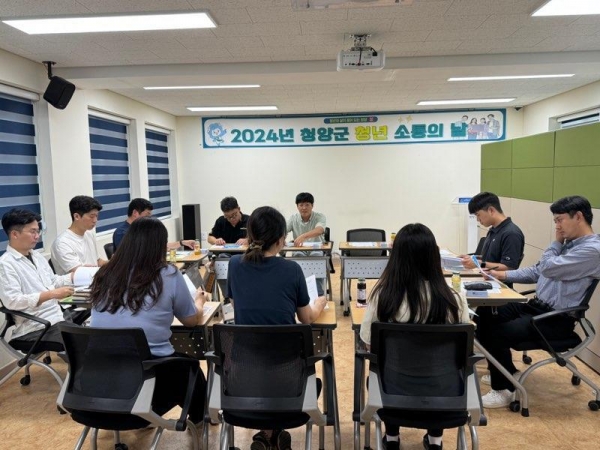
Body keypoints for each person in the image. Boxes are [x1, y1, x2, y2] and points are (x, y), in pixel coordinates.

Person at [478, 196, 600, 409]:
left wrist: (555, 243)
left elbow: (548, 268)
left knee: (495, 332)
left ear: (579, 217)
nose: (557, 226)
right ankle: (507, 371)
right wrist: (502, 275)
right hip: (535, 307)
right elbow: (537, 270)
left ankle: (503, 389)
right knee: (484, 313)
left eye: (560, 220)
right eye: (555, 221)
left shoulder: (592, 250)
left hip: (555, 319)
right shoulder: (569, 244)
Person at [89, 216, 208, 425]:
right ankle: (201, 419)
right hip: (146, 382)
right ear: (160, 246)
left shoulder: (104, 273)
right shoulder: (168, 274)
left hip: (99, 385)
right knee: (190, 368)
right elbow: (190, 321)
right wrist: (199, 301)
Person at [360, 223, 470, 450]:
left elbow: (368, 342)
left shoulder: (383, 297)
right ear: (434, 257)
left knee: (384, 369)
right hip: (446, 395)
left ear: (396, 258)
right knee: (437, 367)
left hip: (392, 394)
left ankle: (392, 437)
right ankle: (435, 440)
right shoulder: (454, 299)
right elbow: (464, 350)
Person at [227, 206, 327, 450]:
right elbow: (306, 318)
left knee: (265, 374)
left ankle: (268, 435)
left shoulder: (234, 264)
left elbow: (237, 306)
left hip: (244, 374)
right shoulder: (291, 269)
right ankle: (272, 434)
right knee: (300, 378)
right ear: (281, 239)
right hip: (287, 373)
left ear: (250, 235)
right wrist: (319, 304)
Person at [0, 208, 77, 350]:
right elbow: (13, 301)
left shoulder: (36, 255)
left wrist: (74, 276)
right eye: (32, 232)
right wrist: (51, 294)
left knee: (93, 337)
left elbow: (53, 281)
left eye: (38, 231)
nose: (37, 236)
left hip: (57, 316)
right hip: (36, 327)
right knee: (85, 344)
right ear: (15, 234)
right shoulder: (5, 264)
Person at [460, 192, 525, 278]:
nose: (477, 219)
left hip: (499, 284)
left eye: (478, 215)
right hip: (485, 278)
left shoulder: (511, 234)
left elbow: (509, 268)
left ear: (491, 210)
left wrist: (479, 264)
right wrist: (472, 258)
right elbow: (490, 258)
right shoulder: (493, 229)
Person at [51, 195, 107, 275]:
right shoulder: (62, 243)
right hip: (78, 282)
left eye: (96, 216)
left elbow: (97, 262)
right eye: (91, 216)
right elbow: (80, 273)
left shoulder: (89, 234)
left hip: (94, 278)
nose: (95, 220)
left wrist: (116, 262)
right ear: (76, 216)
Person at [112, 197, 195, 250]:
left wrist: (182, 243)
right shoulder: (122, 233)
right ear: (135, 213)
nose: (150, 217)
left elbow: (159, 246)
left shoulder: (142, 230)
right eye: (147, 214)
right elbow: (129, 257)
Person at [286, 192, 327, 295]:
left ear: (312, 205)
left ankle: (317, 292)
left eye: (307, 205)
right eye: (301, 205)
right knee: (298, 257)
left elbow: (319, 230)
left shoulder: (319, 217)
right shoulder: (293, 218)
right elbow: (283, 230)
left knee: (316, 257)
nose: (304, 208)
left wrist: (303, 236)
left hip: (316, 249)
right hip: (299, 249)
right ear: (297, 206)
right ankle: (300, 292)